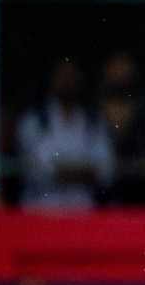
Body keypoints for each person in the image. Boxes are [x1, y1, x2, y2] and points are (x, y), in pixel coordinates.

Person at [17, 58, 114, 210]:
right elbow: (41, 171)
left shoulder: (93, 121)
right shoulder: (34, 120)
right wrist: (83, 171)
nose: (68, 82)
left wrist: (65, 170)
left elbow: (105, 170)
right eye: (63, 77)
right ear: (52, 79)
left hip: (83, 212)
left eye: (73, 77)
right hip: (40, 212)